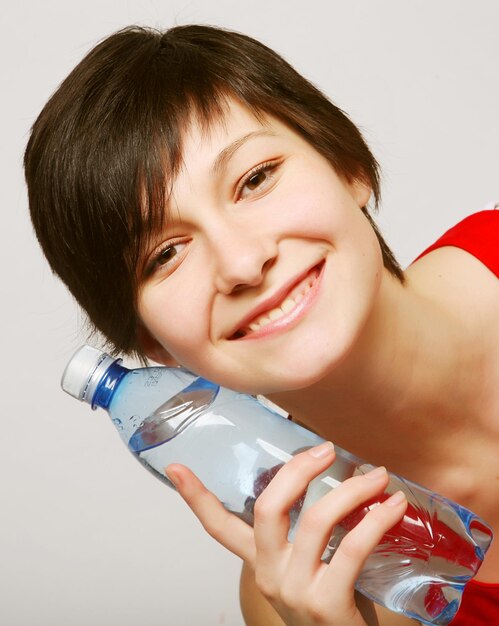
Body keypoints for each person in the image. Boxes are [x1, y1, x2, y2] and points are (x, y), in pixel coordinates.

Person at [24, 24, 499, 625]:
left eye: (255, 179)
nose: (244, 263)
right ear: (148, 342)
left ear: (347, 164)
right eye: (165, 254)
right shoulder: (300, 597)